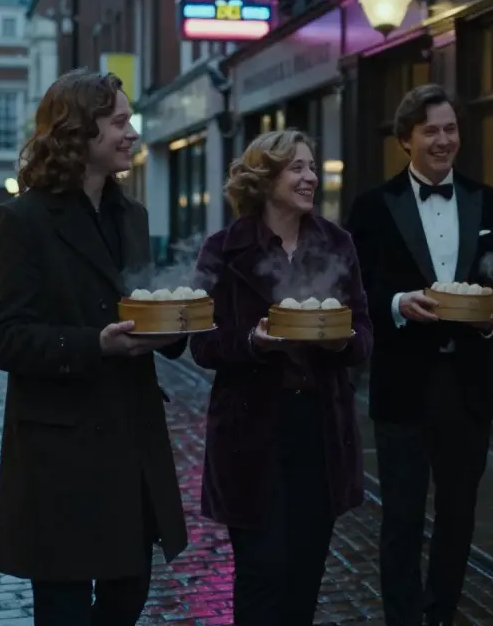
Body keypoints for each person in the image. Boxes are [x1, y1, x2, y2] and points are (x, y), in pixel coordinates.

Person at [0, 69, 189, 626]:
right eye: (119, 122)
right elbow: (0, 336)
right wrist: (95, 344)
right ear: (77, 132)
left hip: (130, 439)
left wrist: (174, 326)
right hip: (61, 452)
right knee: (65, 609)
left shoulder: (132, 215)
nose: (132, 133)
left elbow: (139, 303)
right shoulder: (18, 221)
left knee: (129, 594)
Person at [190, 129, 373, 625]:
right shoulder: (223, 250)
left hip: (319, 431)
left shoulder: (337, 243)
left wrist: (341, 340)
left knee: (304, 575)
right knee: (260, 574)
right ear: (263, 177)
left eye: (312, 166)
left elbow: (364, 335)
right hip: (250, 437)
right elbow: (201, 343)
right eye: (297, 167)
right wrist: (253, 342)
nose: (310, 177)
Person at [346, 84, 493, 626]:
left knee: (459, 514)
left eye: (451, 129)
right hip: (403, 382)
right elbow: (356, 294)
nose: (444, 141)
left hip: (468, 382)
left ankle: (441, 612)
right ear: (405, 140)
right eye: (431, 131)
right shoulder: (371, 207)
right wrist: (396, 303)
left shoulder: (489, 201)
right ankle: (402, 617)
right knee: (401, 515)